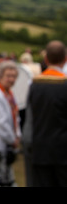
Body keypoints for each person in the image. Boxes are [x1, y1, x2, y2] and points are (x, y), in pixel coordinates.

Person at [23, 40, 67, 187]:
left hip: (40, 148)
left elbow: (30, 119)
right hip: (63, 150)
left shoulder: (34, 84)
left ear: (46, 59)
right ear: (65, 59)